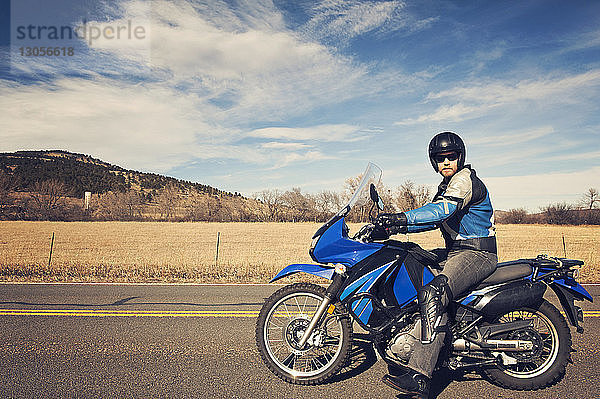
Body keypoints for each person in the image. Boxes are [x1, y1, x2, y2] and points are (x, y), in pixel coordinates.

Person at [373, 131, 498, 398]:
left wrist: (399, 217)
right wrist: (390, 229)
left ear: (460, 156)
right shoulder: (447, 186)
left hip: (476, 253)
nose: (445, 163)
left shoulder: (464, 181)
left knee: (433, 293)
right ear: (434, 162)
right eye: (440, 159)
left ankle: (420, 377)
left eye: (450, 157)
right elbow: (431, 220)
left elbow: (441, 211)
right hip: (457, 251)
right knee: (408, 257)